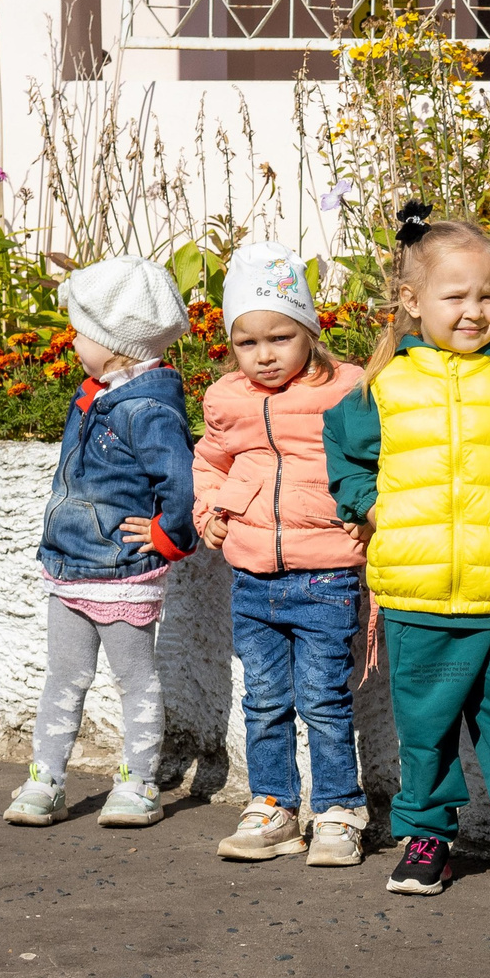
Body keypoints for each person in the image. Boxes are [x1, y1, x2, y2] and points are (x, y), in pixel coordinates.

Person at [322, 209, 490, 902]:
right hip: (414, 593)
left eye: (489, 294)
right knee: (426, 729)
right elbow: (344, 453)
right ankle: (427, 839)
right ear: (412, 302)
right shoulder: (385, 386)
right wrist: (368, 504)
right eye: (456, 296)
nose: (475, 310)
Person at [193, 242, 371, 868]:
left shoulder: (347, 389)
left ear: (310, 331)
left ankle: (339, 810)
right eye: (248, 342)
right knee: (264, 698)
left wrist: (367, 516)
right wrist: (210, 511)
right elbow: (209, 463)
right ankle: (272, 804)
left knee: (324, 697)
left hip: (325, 573)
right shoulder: (227, 399)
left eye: (280, 337)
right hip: (251, 576)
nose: (264, 356)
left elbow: (379, 458)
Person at [4, 256, 198, 829]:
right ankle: (47, 778)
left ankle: (138, 783)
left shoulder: (146, 407)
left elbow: (180, 481)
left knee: (135, 678)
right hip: (69, 566)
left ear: (115, 343)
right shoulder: (96, 394)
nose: (72, 341)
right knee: (63, 677)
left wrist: (168, 536)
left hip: (121, 571)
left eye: (80, 331)